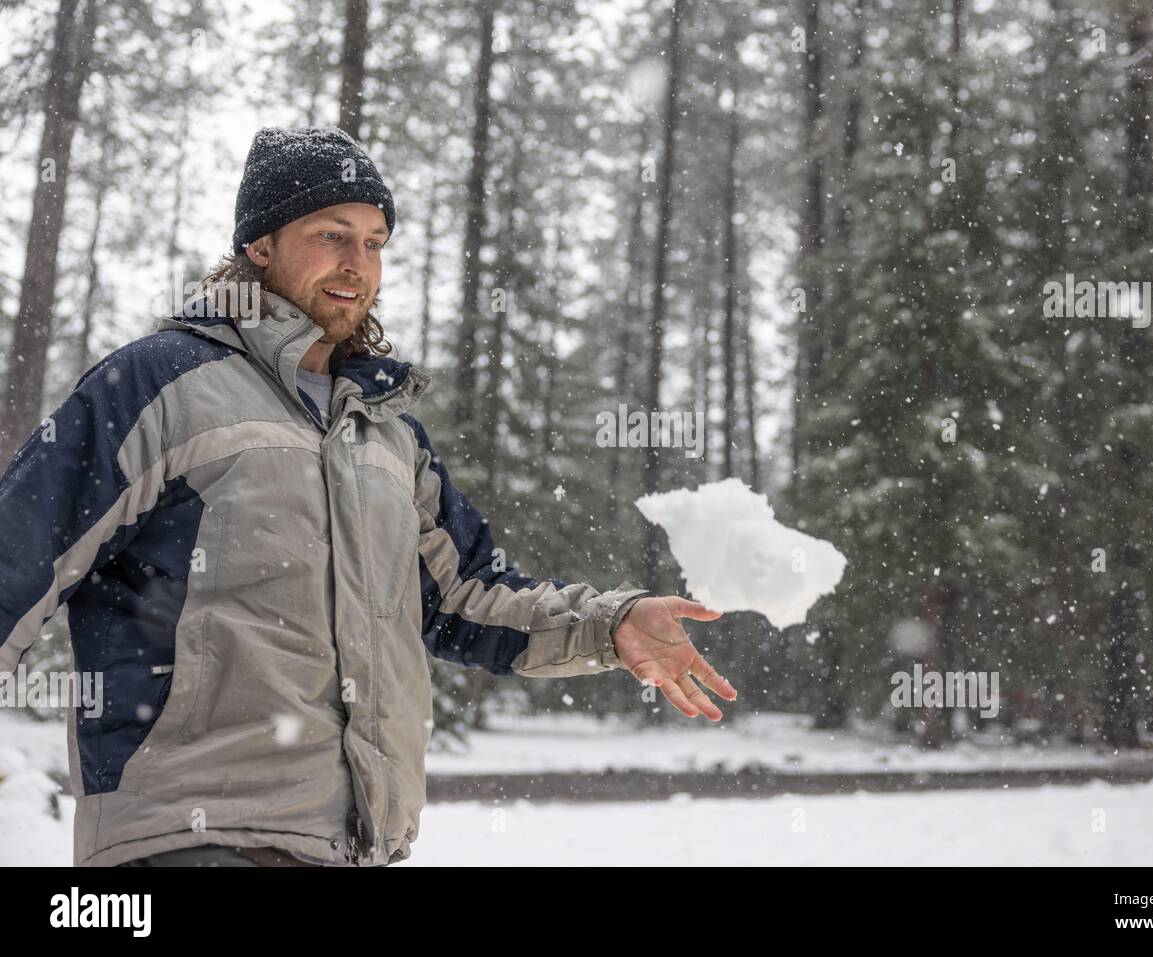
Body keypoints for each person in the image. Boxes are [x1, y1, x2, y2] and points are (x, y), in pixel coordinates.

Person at [0, 126, 737, 867]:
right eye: (332, 235)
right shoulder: (158, 384)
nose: (358, 264)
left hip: (353, 846)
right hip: (187, 837)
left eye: (376, 242)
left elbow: (466, 596)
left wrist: (611, 626)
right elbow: (15, 558)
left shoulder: (386, 435)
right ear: (260, 244)